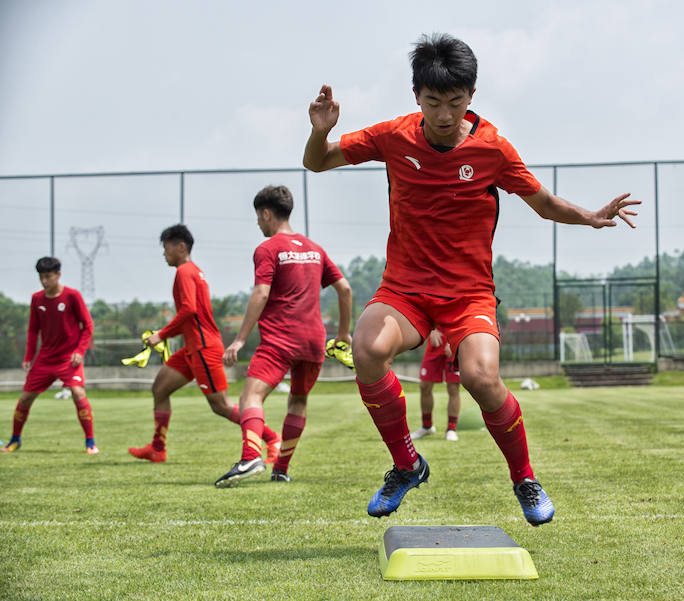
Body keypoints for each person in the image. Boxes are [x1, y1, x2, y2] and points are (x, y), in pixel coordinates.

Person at [302, 33, 640, 526]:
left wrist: (589, 215)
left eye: (455, 102)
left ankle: (524, 478)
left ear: (471, 98)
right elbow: (317, 161)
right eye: (434, 102)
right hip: (405, 289)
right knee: (368, 350)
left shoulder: (492, 148)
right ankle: (406, 464)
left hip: (468, 295)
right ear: (416, 96)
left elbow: (543, 204)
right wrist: (319, 131)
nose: (444, 114)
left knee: (482, 377)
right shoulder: (393, 136)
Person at [215, 185, 352, 487]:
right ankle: (281, 468)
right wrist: (343, 334)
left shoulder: (268, 249)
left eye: (258, 218)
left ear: (266, 213)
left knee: (251, 395)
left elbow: (261, 292)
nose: (258, 224)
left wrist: (239, 339)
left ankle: (250, 456)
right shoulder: (315, 249)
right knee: (298, 401)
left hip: (280, 340)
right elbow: (345, 289)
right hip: (313, 341)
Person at [128, 224, 281, 463]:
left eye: (167, 248)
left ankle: (272, 439)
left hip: (203, 348)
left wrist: (162, 334)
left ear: (181, 246)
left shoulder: (185, 272)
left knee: (221, 405)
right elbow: (190, 313)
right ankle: (157, 449)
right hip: (192, 347)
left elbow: (188, 310)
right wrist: (165, 333)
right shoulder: (194, 271)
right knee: (160, 388)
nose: (164, 253)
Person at [2, 257, 98, 454]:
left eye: (48, 277)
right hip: (45, 359)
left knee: (78, 394)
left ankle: (90, 442)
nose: (44, 281)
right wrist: (29, 357)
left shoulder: (72, 296)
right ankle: (15, 439)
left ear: (58, 275)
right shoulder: (37, 299)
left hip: (69, 359)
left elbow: (88, 326)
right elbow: (32, 330)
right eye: (41, 277)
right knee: (25, 398)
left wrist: (79, 351)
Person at [412, 328, 461, 441]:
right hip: (434, 344)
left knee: (453, 387)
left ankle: (451, 429)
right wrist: (431, 330)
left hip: (452, 343)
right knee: (424, 386)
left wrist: (454, 340)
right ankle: (427, 426)